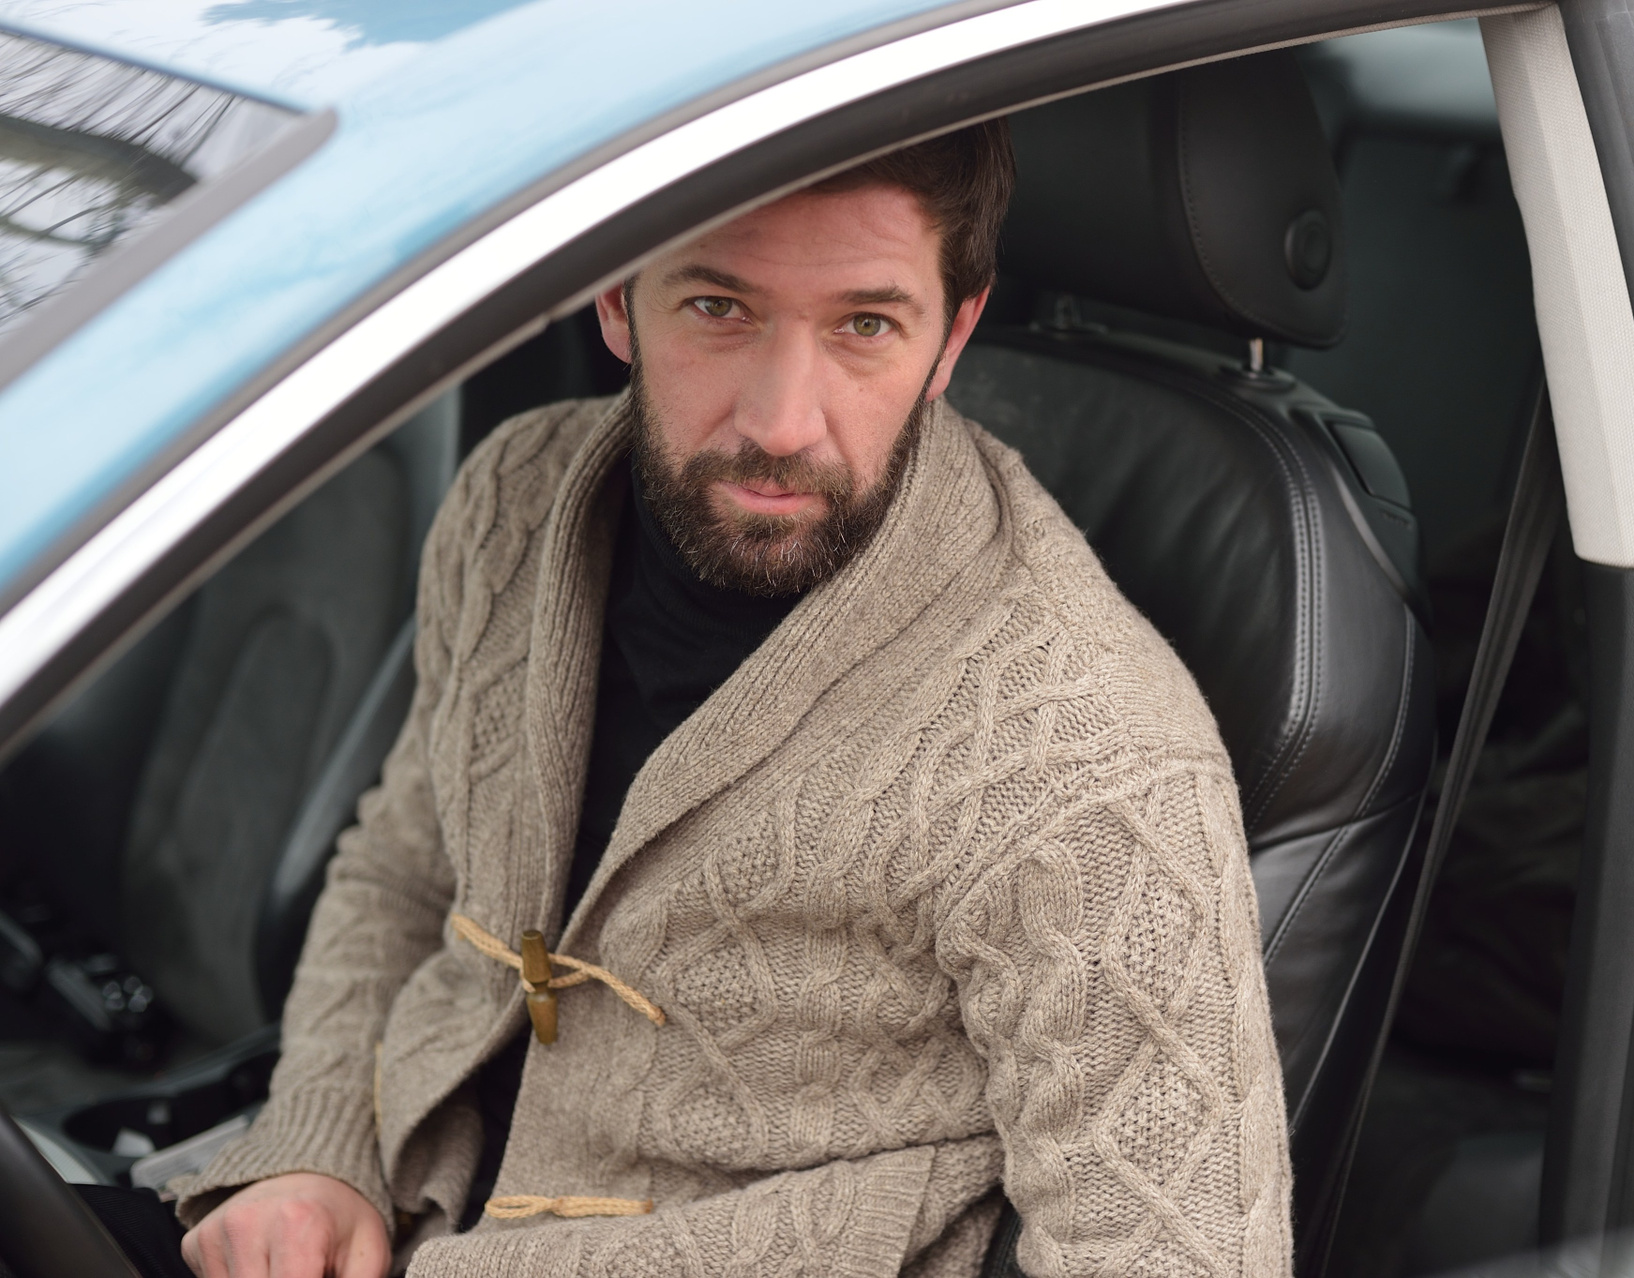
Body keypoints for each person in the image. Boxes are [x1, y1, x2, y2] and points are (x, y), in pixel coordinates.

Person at [164, 120, 1289, 1278]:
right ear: (616, 298)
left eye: (865, 325)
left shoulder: (1085, 752)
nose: (781, 424)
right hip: (376, 1218)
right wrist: (317, 1153)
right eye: (719, 308)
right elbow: (405, 875)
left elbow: (1175, 1256)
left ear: (953, 336)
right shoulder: (513, 497)